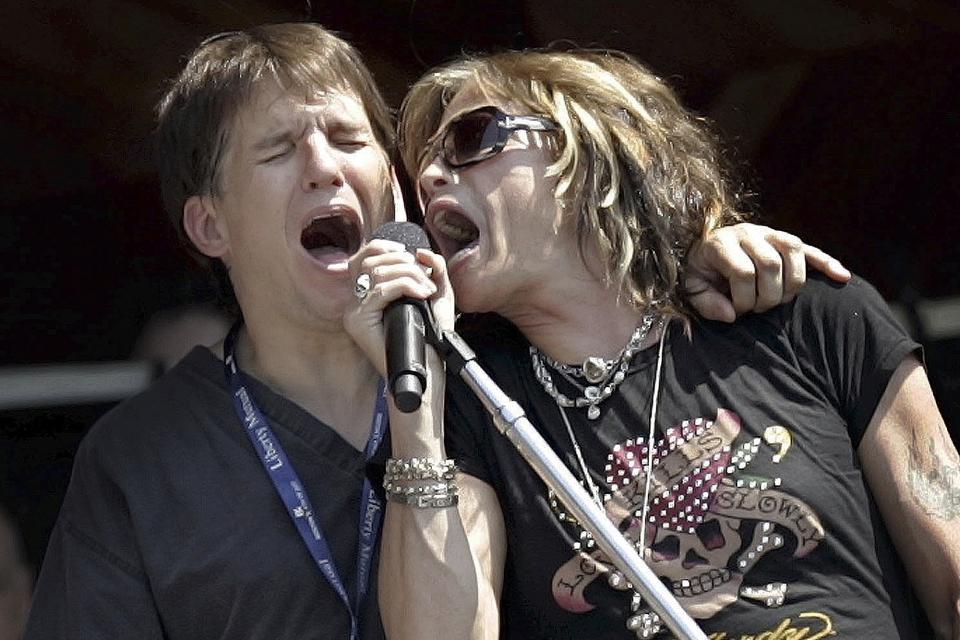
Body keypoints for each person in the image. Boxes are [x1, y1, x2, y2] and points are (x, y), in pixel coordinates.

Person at [25, 24, 848, 639]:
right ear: (210, 226)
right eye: (279, 151)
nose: (324, 165)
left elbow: (612, 276)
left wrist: (698, 243)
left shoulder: (513, 366)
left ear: (391, 185)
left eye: (351, 139)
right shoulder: (139, 457)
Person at [354, 49, 960, 639]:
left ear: (586, 150)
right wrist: (416, 418)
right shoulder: (471, 403)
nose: (432, 178)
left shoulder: (807, 315)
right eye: (423, 168)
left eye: (469, 139)